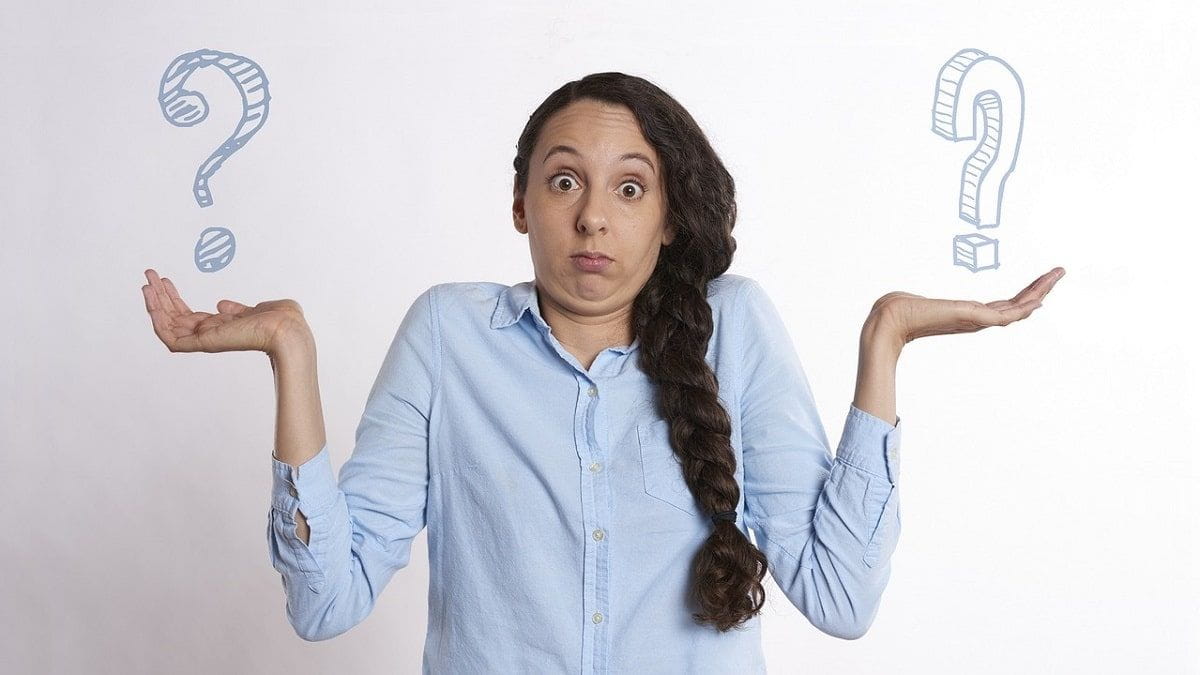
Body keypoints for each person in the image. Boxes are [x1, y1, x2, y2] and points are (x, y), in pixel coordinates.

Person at [141, 71, 1065, 672]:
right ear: (520, 206)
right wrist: (291, 356)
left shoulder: (734, 327)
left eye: (630, 187)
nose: (593, 218)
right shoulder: (445, 337)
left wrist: (885, 342)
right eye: (563, 180)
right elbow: (324, 600)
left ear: (668, 217)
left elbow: (841, 596)